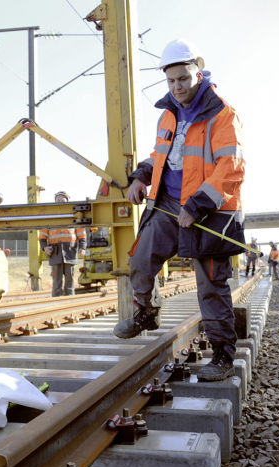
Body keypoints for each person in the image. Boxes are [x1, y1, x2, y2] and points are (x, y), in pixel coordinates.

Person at [113, 39, 246, 382]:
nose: (178, 87)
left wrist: (198, 205)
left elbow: (231, 167)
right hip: (168, 205)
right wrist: (141, 176)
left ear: (197, 74)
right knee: (140, 262)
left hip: (210, 212)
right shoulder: (167, 114)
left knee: (211, 285)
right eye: (171, 81)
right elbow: (162, 156)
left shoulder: (222, 114)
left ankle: (222, 355)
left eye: (184, 79)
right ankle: (147, 313)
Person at [39, 191, 88, 297]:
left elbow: (81, 234)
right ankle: (55, 303)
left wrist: (82, 247)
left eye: (63, 201)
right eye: (58, 200)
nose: (60, 202)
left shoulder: (75, 215)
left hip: (70, 252)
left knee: (70, 282)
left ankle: (70, 303)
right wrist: (45, 247)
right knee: (56, 283)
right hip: (55, 252)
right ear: (55, 201)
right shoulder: (49, 217)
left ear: (67, 202)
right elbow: (42, 236)